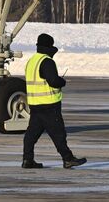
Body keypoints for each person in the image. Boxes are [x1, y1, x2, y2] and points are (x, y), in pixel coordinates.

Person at [22, 33, 87, 169]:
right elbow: (53, 81)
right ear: (49, 46)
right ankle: (68, 159)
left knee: (31, 135)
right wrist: (61, 81)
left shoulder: (32, 61)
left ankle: (27, 159)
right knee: (58, 134)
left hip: (35, 104)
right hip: (49, 105)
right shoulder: (47, 61)